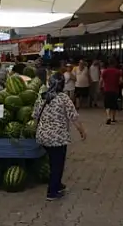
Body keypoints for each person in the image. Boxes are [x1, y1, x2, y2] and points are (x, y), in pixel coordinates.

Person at [33, 72, 86, 201]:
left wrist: (37, 130)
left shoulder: (42, 97)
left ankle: (58, 184)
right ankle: (52, 192)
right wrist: (82, 131)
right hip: (57, 138)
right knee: (58, 165)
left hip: (42, 136)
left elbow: (35, 116)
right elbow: (74, 117)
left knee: (52, 162)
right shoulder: (63, 98)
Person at [101, 58, 123, 125]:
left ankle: (108, 117)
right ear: (115, 64)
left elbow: (101, 80)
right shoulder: (118, 71)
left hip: (107, 89)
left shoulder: (105, 71)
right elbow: (121, 81)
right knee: (114, 104)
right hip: (115, 90)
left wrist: (100, 87)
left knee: (107, 104)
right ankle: (113, 118)